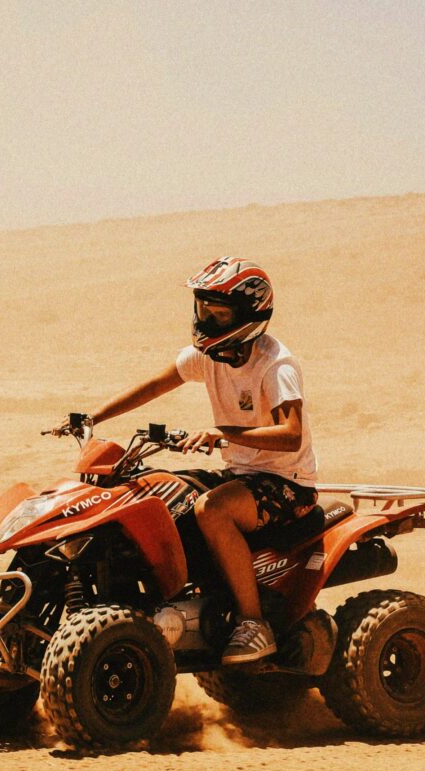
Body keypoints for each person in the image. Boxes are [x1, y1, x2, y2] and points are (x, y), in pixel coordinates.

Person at [54, 257, 318, 664]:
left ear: (249, 314)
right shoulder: (207, 356)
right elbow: (155, 385)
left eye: (219, 313)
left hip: (288, 483)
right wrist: (94, 417)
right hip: (240, 474)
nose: (207, 320)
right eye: (203, 309)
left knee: (212, 509)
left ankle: (253, 623)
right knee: (155, 491)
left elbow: (291, 433)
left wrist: (222, 433)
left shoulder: (275, 364)